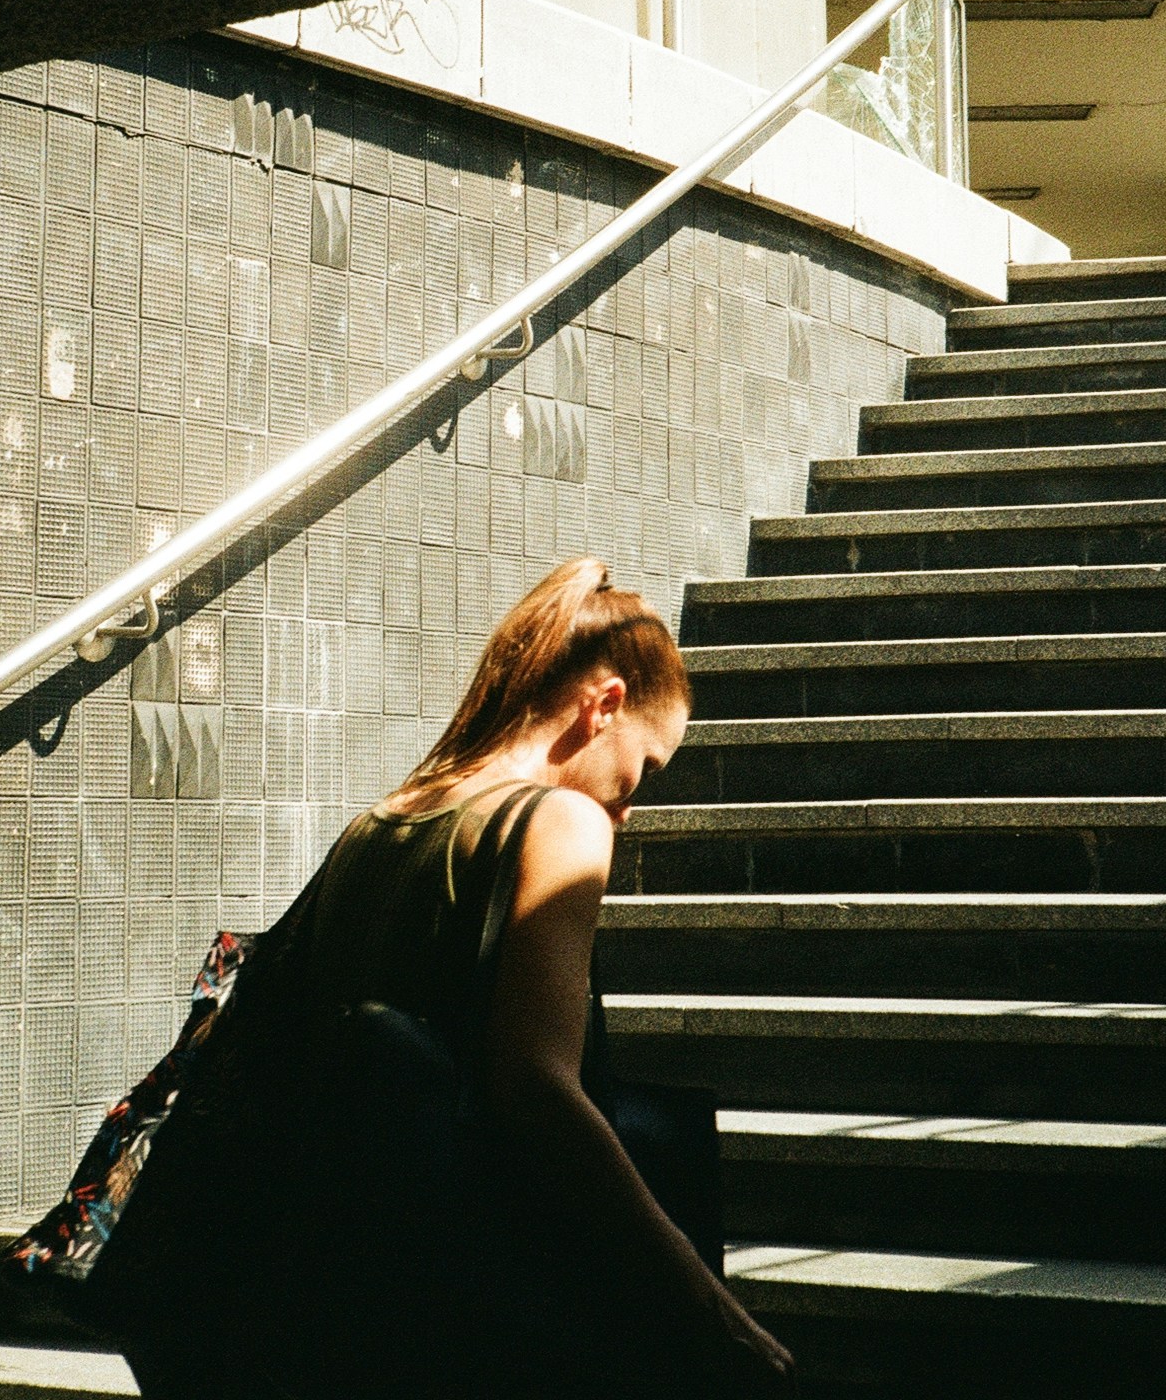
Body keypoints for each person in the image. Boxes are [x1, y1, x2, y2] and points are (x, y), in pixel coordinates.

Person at [84, 558, 796, 1397]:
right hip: (466, 1310)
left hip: (340, 1301)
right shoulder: (559, 822)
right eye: (645, 767)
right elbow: (535, 1089)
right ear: (602, 705)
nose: (630, 806)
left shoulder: (382, 820)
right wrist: (708, 1309)